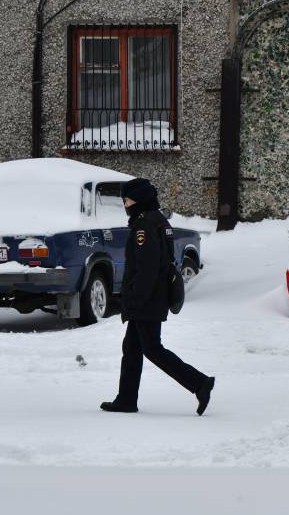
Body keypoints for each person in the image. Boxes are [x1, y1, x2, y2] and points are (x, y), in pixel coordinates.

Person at [101, 177, 215, 415]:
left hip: (147, 299)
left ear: (139, 199)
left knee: (152, 349)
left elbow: (147, 268)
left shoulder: (144, 226)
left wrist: (134, 299)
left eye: (128, 199)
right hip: (152, 296)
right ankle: (126, 399)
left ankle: (199, 383)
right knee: (132, 348)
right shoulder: (158, 220)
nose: (125, 204)